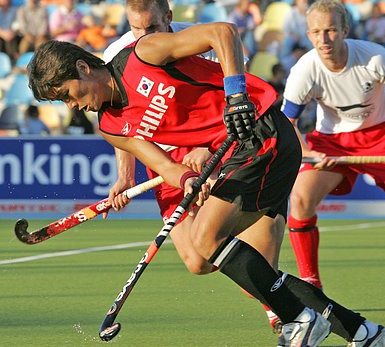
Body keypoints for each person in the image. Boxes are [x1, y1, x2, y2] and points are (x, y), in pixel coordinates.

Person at [27, 21, 385, 346]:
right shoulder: (112, 127)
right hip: (235, 156)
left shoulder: (143, 54)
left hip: (262, 132)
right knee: (227, 259)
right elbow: (163, 164)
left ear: (82, 67)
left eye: (67, 95)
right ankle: (364, 332)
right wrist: (187, 179)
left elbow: (223, 33)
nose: (72, 106)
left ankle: (300, 320)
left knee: (206, 242)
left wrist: (236, 94)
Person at [102, 0, 283, 333]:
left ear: (169, 17)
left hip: (219, 145)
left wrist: (205, 147)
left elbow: (232, 97)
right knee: (198, 262)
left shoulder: (202, 42)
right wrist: (125, 176)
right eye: (135, 28)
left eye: (152, 28)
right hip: (166, 160)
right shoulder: (117, 54)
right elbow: (123, 127)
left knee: (247, 277)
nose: (142, 36)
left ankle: (278, 300)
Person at [282, 0, 385, 311]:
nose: (324, 40)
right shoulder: (304, 70)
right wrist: (309, 152)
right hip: (332, 142)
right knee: (299, 200)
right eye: (316, 32)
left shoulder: (373, 57)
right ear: (308, 34)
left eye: (331, 31)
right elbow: (287, 124)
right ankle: (312, 288)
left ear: (345, 31)